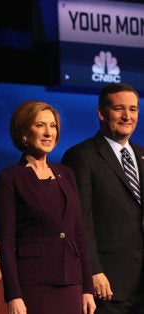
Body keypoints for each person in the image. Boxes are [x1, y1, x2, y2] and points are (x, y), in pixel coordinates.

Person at [0, 100, 96, 313]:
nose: (49, 132)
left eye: (53, 126)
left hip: (72, 282)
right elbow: (6, 243)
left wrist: (87, 288)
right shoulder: (10, 178)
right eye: (40, 125)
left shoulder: (66, 173)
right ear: (23, 131)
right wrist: (14, 295)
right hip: (34, 284)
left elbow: (78, 234)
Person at [61, 82, 144, 314]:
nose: (127, 116)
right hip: (108, 282)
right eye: (119, 109)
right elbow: (79, 220)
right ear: (101, 113)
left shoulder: (142, 155)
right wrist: (93, 272)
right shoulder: (81, 156)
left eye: (133, 109)